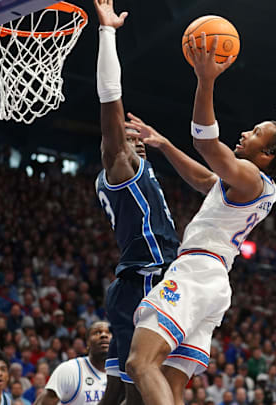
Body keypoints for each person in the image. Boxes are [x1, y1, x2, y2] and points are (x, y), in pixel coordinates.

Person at [124, 28, 276, 405]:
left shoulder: (251, 176)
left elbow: (206, 143)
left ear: (267, 154)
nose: (244, 133)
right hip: (213, 281)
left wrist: (205, 81)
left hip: (196, 273)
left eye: (255, 133)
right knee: (170, 386)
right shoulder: (248, 185)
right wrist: (164, 144)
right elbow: (203, 177)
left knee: (140, 363)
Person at [91, 1, 181, 404]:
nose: (137, 139)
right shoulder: (121, 169)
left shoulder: (140, 170)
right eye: (128, 138)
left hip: (140, 280)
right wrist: (107, 33)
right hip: (145, 277)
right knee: (142, 389)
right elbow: (111, 102)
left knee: (116, 391)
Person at [35, 321, 111, 405]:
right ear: (87, 343)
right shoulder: (69, 369)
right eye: (97, 332)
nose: (104, 335)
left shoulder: (121, 373)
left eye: (109, 332)